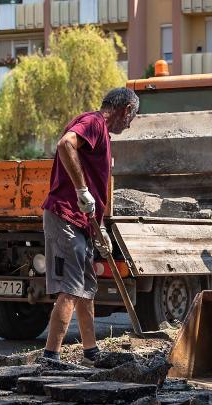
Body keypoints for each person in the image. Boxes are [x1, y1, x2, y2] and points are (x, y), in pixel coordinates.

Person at [40, 87, 139, 366]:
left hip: (82, 221)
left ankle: (90, 350)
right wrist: (81, 190)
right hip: (66, 216)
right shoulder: (94, 122)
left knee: (86, 288)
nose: (129, 124)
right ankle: (51, 357)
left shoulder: (101, 133)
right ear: (126, 109)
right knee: (71, 288)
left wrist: (101, 228)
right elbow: (65, 144)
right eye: (131, 117)